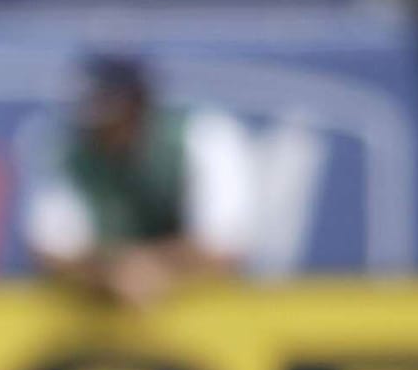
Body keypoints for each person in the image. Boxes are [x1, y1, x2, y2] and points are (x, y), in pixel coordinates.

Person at [23, 55, 252, 310]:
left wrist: (154, 267)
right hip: (104, 308)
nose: (98, 132)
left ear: (139, 106)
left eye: (110, 116)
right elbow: (51, 251)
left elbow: (224, 247)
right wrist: (113, 273)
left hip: (209, 312)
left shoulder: (204, 135)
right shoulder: (62, 148)